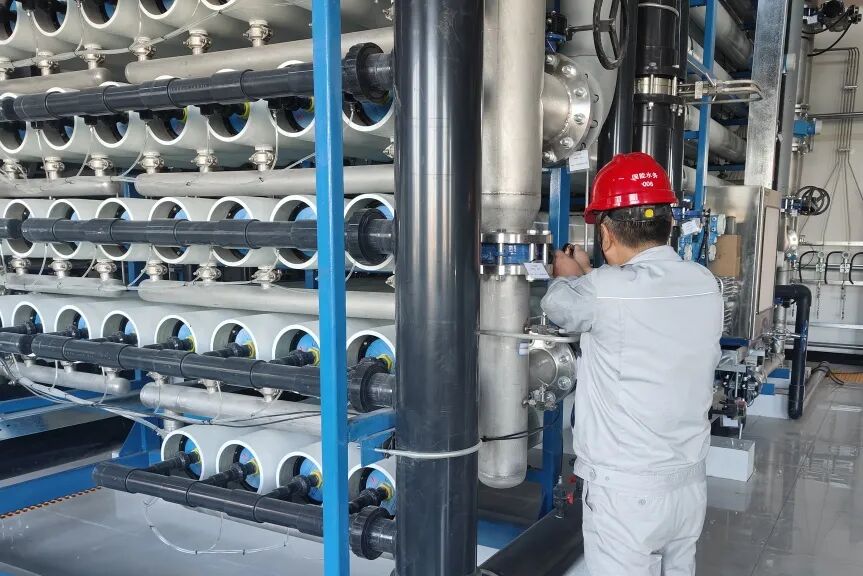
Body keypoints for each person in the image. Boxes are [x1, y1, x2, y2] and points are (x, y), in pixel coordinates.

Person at [541, 152, 723, 576]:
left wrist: (568, 275)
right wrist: (592, 275)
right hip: (688, 482)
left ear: (606, 233)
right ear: (668, 224)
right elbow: (630, 300)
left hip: (627, 492)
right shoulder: (705, 283)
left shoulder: (603, 290)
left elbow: (559, 306)